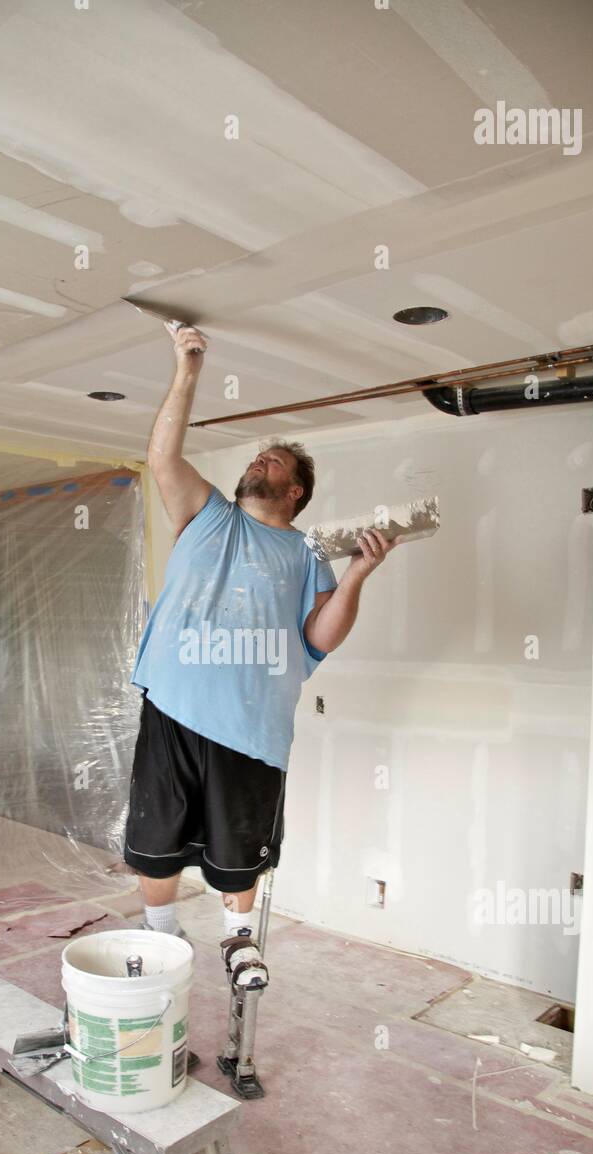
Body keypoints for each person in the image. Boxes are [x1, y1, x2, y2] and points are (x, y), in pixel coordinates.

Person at [124, 324, 397, 942]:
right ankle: (160, 932)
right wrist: (187, 367)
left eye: (272, 461)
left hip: (251, 726)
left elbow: (320, 637)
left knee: (237, 843)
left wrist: (359, 574)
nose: (258, 460)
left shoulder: (306, 552)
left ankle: (237, 939)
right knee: (156, 832)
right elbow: (163, 457)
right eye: (256, 457)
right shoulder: (206, 514)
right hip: (172, 705)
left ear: (294, 490)